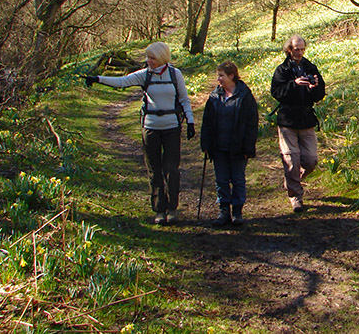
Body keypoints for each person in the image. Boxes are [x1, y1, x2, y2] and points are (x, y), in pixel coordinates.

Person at [85, 42, 195, 225]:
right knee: (155, 170)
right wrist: (98, 79)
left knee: (171, 169)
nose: (148, 61)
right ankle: (159, 210)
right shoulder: (144, 75)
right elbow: (121, 82)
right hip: (150, 128)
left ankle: (172, 208)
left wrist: (190, 122)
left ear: (162, 58)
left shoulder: (175, 75)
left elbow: (184, 98)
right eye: (147, 57)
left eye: (152, 58)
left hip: (172, 128)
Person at [270, 34, 326, 213]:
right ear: (289, 50)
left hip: (306, 119)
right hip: (287, 121)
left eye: (302, 49)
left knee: (311, 161)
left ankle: (293, 181)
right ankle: (296, 197)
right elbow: (276, 92)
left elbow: (319, 94)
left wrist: (314, 88)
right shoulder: (282, 70)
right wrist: (294, 84)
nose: (299, 53)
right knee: (291, 161)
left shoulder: (310, 67)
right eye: (296, 49)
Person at [200, 61, 258, 226]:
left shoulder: (245, 96)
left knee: (238, 179)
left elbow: (252, 123)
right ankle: (224, 210)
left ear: (231, 76)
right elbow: (207, 123)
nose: (218, 79)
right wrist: (205, 144)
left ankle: (237, 212)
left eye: (221, 75)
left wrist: (249, 146)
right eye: (218, 75)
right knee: (221, 180)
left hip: (238, 147)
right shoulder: (214, 97)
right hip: (219, 147)